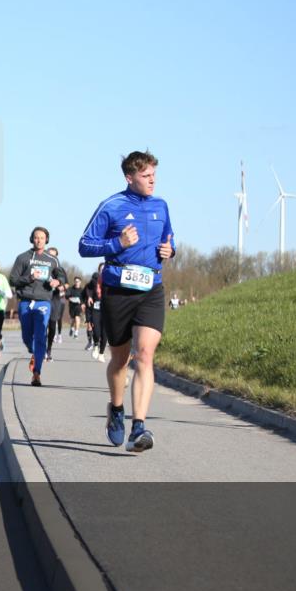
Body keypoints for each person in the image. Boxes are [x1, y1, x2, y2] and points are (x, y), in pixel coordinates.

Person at [79, 150, 175, 453]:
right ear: (129, 177)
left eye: (154, 175)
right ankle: (117, 410)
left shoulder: (162, 205)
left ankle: (139, 428)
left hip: (151, 289)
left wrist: (170, 251)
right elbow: (84, 245)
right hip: (117, 291)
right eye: (146, 176)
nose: (152, 181)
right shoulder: (111, 206)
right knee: (120, 360)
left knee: (144, 356)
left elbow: (170, 238)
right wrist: (117, 243)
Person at [8, 227, 66, 387]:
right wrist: (29, 277)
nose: (39, 240)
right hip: (26, 300)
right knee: (27, 337)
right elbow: (13, 279)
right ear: (31, 239)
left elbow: (61, 275)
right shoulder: (23, 258)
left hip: (43, 301)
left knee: (41, 336)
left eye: (42, 238)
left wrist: (57, 281)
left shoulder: (52, 259)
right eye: (36, 237)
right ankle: (34, 352)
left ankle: (37, 373)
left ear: (46, 240)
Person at [44, 247, 68, 361]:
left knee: (52, 326)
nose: (52, 257)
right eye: (50, 255)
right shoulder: (42, 268)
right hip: (43, 298)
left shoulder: (60, 269)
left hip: (55, 299)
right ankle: (41, 350)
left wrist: (61, 286)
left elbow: (67, 283)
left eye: (54, 256)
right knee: (42, 325)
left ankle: (49, 350)